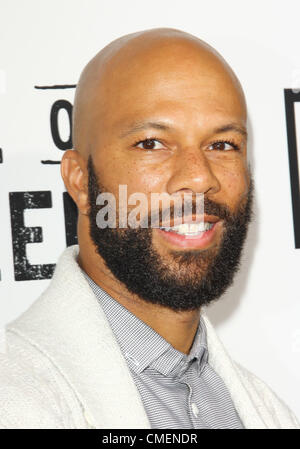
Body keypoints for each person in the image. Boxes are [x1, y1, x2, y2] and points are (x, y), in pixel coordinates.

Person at [0, 28, 298, 429]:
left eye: (223, 145)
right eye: (152, 143)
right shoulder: (14, 398)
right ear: (78, 180)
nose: (198, 177)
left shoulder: (264, 410)